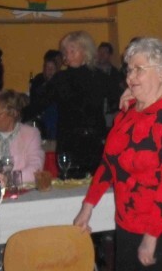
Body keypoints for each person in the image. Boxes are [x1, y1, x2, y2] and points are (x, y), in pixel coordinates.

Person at [74, 37, 162, 271]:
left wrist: (151, 236)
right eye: (129, 70)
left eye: (139, 69)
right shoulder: (129, 110)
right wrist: (88, 205)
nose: (131, 77)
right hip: (127, 219)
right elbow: (109, 161)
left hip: (160, 225)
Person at [37, 31, 109, 177]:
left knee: (97, 182)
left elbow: (118, 97)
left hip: (94, 142)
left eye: (72, 51)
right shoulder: (60, 78)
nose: (68, 56)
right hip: (69, 142)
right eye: (66, 52)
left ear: (85, 52)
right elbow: (39, 104)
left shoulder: (99, 77)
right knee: (70, 182)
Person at [0, 89, 45, 183]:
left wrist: (8, 179)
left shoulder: (31, 134)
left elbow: (35, 169)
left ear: (13, 113)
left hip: (22, 190)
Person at [25, 49, 60, 140]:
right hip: (38, 113)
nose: (50, 71)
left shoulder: (60, 82)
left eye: (52, 68)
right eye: (48, 68)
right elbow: (35, 100)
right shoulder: (39, 80)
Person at [96, 41, 126, 127]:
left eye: (105, 52)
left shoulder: (115, 73)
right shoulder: (91, 72)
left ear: (109, 55)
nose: (101, 54)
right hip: (96, 110)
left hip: (111, 110)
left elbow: (121, 90)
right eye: (100, 52)